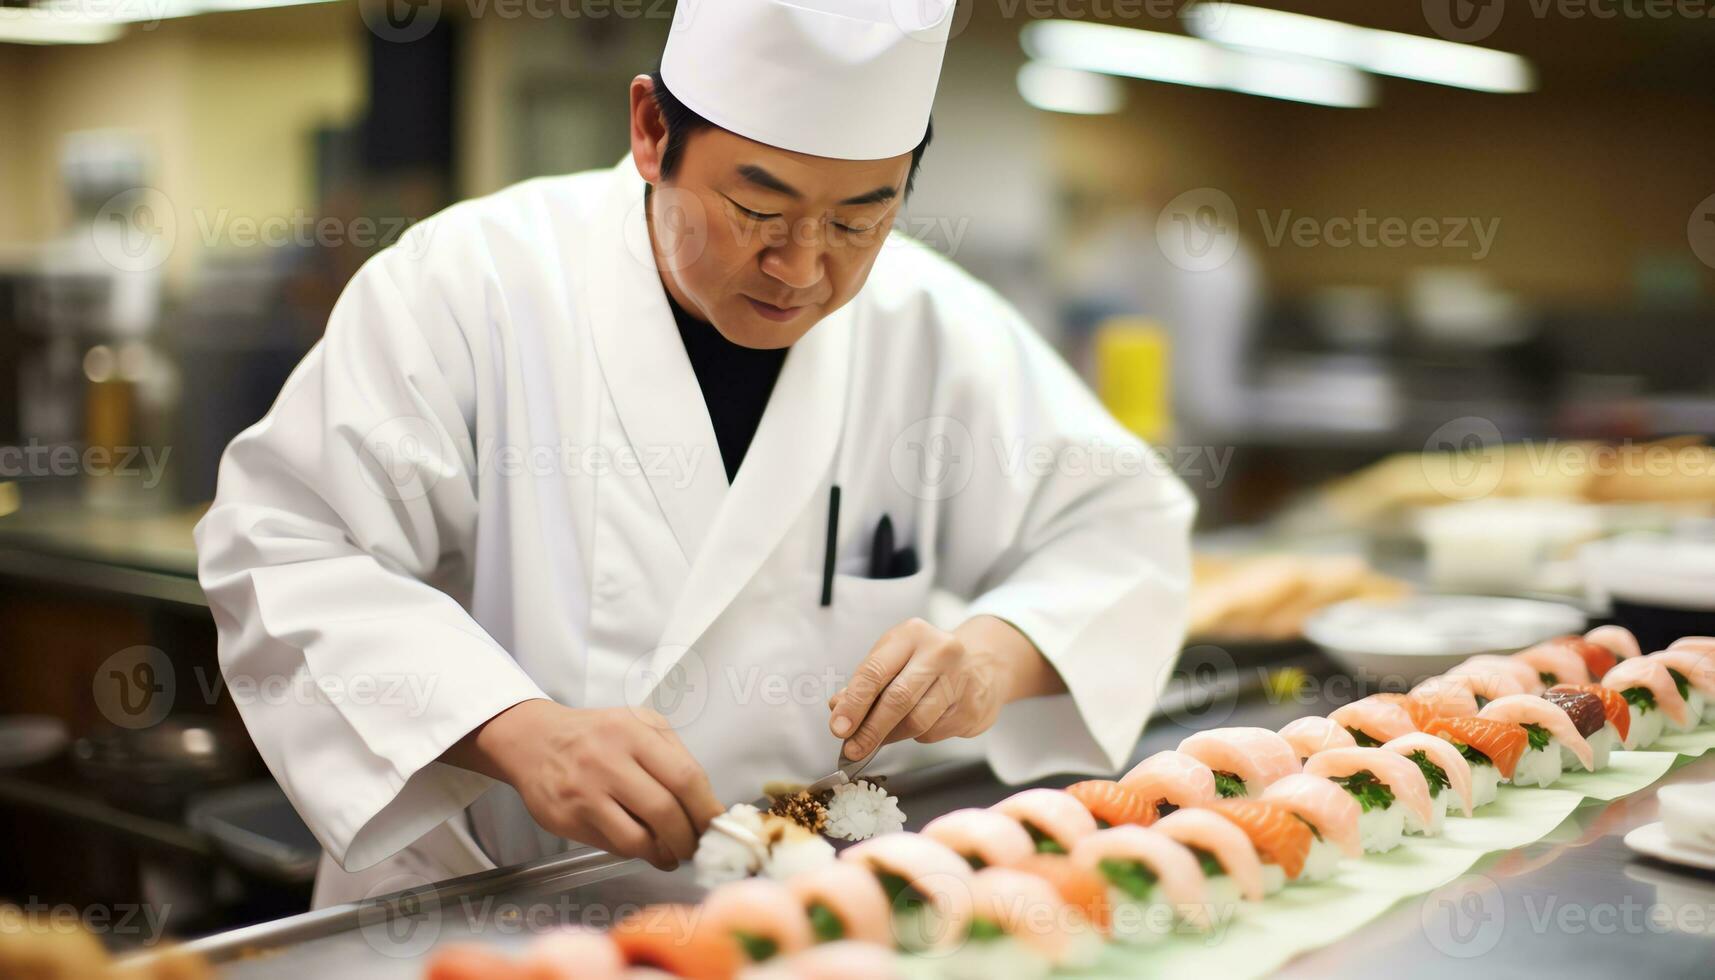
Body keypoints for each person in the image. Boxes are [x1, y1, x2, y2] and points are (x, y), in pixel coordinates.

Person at [196, 0, 1195, 906]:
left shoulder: (933, 325)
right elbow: (284, 545)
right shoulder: (472, 287)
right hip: (490, 890)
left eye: (860, 217)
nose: (803, 267)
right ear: (649, 132)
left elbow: (1123, 529)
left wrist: (994, 651)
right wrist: (516, 729)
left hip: (798, 894)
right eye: (758, 208)